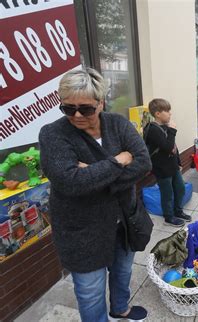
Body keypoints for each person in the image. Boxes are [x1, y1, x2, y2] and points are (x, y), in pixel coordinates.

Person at [38, 68, 151, 322]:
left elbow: (144, 163)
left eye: (85, 108)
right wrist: (118, 161)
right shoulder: (53, 134)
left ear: (101, 103)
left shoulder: (118, 124)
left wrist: (93, 173)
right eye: (68, 108)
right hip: (82, 231)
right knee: (90, 293)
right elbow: (69, 182)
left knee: (123, 272)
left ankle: (120, 308)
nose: (76, 115)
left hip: (124, 221)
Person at [144, 98, 191, 227]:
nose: (170, 113)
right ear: (158, 114)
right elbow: (167, 147)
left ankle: (178, 211)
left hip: (172, 165)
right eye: (167, 111)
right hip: (161, 168)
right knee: (167, 193)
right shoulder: (152, 129)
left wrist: (178, 161)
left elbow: (174, 147)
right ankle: (169, 217)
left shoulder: (165, 126)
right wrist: (173, 131)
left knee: (180, 188)